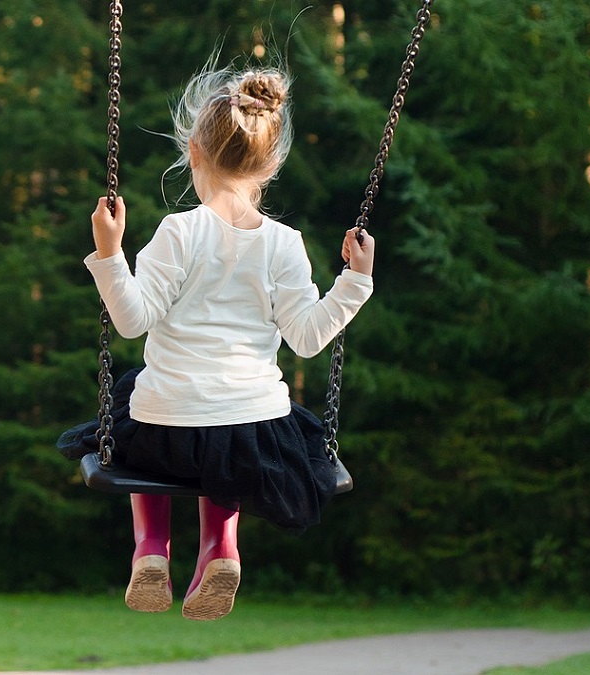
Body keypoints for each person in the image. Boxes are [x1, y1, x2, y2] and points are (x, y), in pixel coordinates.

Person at [58, 61, 375, 621]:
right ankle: (221, 549)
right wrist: (354, 281)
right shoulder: (285, 243)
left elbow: (131, 321)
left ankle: (151, 549)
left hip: (166, 428)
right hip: (252, 432)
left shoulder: (178, 232)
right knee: (227, 442)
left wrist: (110, 254)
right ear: (271, 164)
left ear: (193, 154)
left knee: (137, 403)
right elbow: (307, 339)